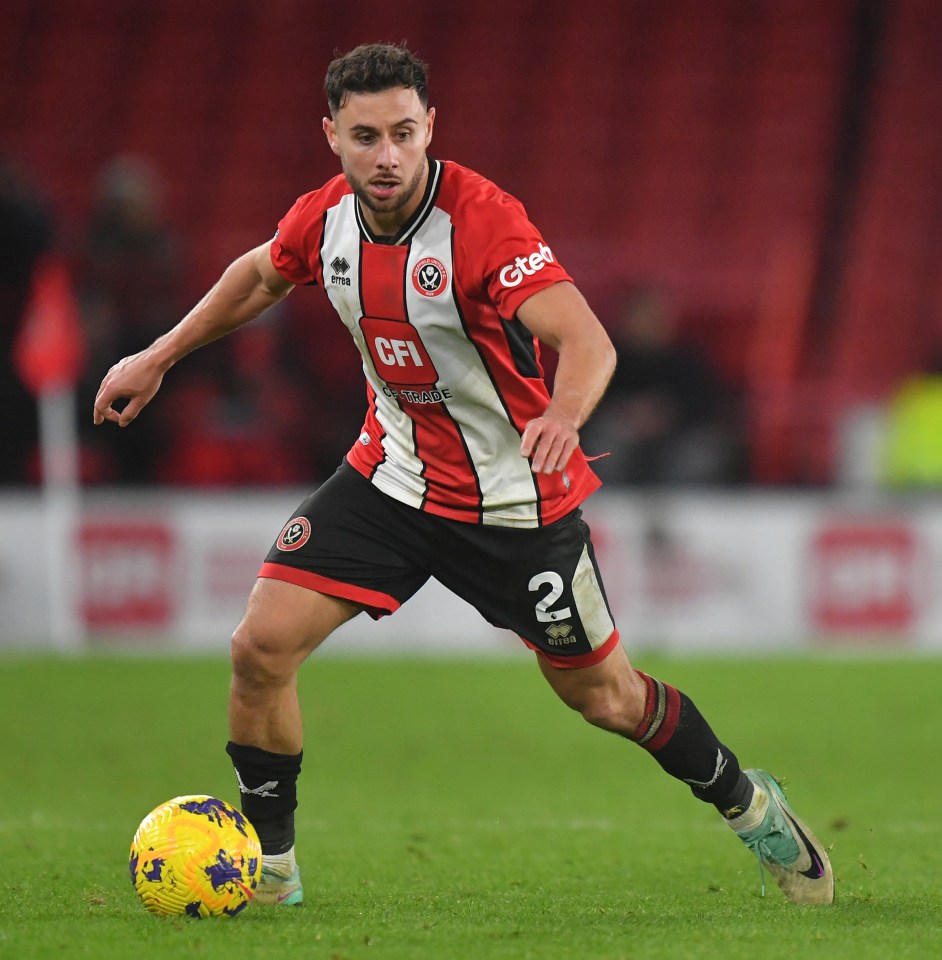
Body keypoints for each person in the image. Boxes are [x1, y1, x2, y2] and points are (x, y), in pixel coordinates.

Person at [93, 43, 833, 906]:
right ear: (331, 134)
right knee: (259, 648)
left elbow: (587, 340)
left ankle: (750, 806)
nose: (388, 156)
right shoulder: (324, 217)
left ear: (430, 127)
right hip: (392, 480)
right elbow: (261, 275)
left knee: (608, 699)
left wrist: (562, 415)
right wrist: (159, 355)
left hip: (514, 504)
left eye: (404, 133)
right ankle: (271, 871)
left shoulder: (483, 221)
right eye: (366, 136)